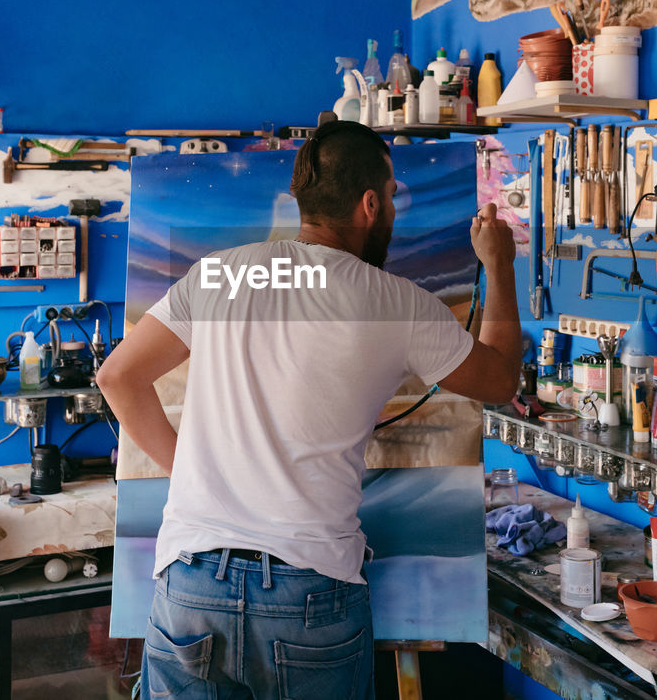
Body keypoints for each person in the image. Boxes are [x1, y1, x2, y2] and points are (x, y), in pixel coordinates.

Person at [97, 120, 521, 699]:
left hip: (192, 581)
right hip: (309, 594)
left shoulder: (218, 274)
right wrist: (500, 264)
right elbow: (499, 380)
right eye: (392, 197)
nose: (394, 210)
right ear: (370, 204)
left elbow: (117, 377)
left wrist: (188, 471)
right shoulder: (395, 303)